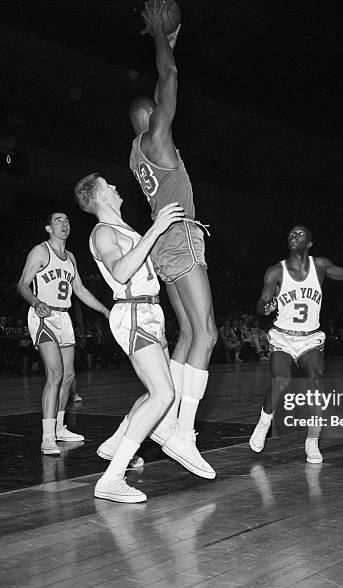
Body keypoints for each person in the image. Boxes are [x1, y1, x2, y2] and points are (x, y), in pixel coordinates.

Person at [127, 0, 218, 478]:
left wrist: (170, 38)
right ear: (152, 115)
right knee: (208, 333)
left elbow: (167, 79)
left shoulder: (134, 154)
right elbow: (171, 77)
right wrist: (162, 37)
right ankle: (184, 431)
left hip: (164, 244)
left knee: (187, 334)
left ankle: (164, 423)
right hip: (180, 238)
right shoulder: (158, 137)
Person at [75, 172, 187, 502]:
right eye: (108, 185)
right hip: (133, 311)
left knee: (158, 391)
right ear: (99, 197)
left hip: (149, 311)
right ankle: (112, 479)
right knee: (163, 393)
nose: (115, 187)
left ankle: (114, 442)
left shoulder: (125, 229)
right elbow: (121, 272)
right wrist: (156, 230)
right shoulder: (103, 232)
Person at [249, 226, 343, 462]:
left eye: (300, 234)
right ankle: (264, 422)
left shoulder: (320, 266)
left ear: (310, 243)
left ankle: (312, 441)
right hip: (283, 337)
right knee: (281, 382)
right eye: (291, 233)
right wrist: (267, 307)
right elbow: (261, 303)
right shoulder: (275, 271)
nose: (294, 235)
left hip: (310, 338)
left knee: (317, 383)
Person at [17, 212, 111, 455]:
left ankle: (59, 428)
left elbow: (78, 289)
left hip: (64, 317)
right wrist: (36, 302)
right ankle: (47, 437)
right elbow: (22, 285)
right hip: (43, 316)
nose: (64, 224)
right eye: (58, 221)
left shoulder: (70, 257)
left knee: (68, 377)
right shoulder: (40, 251)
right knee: (55, 374)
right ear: (48, 228)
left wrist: (104, 310)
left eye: (67, 221)